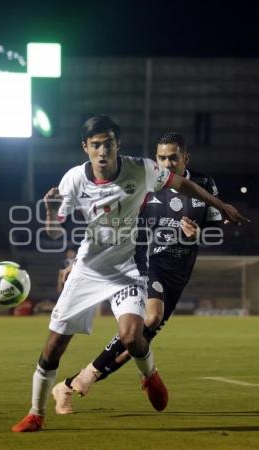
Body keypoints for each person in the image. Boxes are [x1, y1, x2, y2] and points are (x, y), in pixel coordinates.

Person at [12, 116, 246, 432]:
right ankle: (35, 413)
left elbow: (184, 184)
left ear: (117, 145)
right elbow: (54, 233)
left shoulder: (141, 169)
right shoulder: (72, 180)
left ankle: (149, 375)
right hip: (89, 269)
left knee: (134, 334)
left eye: (108, 143)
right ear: (86, 148)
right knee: (54, 345)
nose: (102, 150)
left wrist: (221, 205)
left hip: (130, 268)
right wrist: (52, 214)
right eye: (96, 145)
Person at [51, 132, 224, 414]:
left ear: (185, 158)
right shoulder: (146, 182)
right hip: (144, 262)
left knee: (140, 340)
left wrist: (199, 233)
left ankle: (74, 382)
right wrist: (78, 259)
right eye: (162, 158)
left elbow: (217, 226)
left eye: (173, 158)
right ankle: (85, 379)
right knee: (150, 318)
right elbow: (104, 220)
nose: (167, 163)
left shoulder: (203, 185)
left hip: (179, 272)